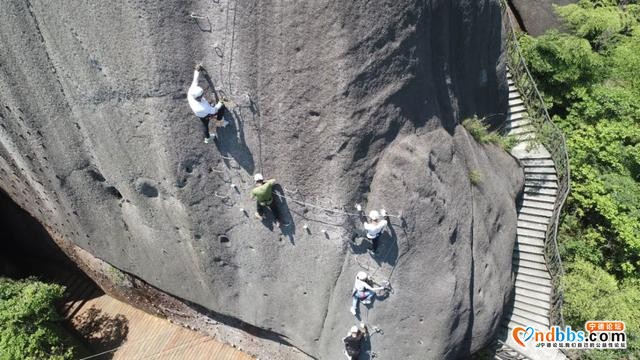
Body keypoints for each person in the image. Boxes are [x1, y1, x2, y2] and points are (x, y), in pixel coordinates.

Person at [187, 63, 228, 143]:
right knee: (221, 107)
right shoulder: (202, 107)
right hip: (205, 114)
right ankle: (220, 122)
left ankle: (208, 138)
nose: (203, 95)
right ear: (198, 97)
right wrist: (221, 101)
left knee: (205, 124)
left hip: (200, 114)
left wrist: (197, 70)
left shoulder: (191, 92)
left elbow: (195, 80)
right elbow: (213, 110)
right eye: (201, 95)